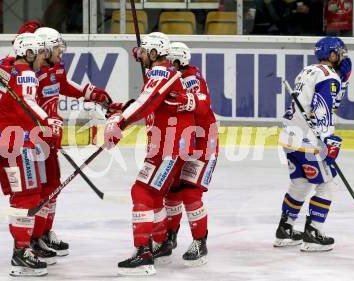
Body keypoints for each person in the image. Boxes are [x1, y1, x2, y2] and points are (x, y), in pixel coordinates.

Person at [104, 32, 197, 276]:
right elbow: (150, 103)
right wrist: (121, 110)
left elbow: (146, 103)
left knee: (142, 192)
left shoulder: (160, 72)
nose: (140, 55)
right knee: (154, 196)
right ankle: (159, 244)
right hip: (170, 147)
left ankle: (144, 254)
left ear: (154, 53)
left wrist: (119, 123)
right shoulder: (163, 72)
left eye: (144, 51)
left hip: (168, 148)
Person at [29, 27, 112, 261]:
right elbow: (26, 110)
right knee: (41, 190)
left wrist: (89, 93)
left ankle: (43, 231)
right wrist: (45, 128)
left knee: (54, 186)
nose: (60, 52)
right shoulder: (31, 74)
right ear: (44, 50)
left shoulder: (55, 68)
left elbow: (63, 85)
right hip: (36, 141)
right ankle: (33, 238)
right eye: (56, 48)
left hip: (50, 139)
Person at [0, 33, 60, 276]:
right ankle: (21, 252)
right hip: (16, 141)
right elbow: (27, 102)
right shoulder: (27, 74)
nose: (43, 59)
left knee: (23, 195)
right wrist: (50, 122)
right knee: (28, 196)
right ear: (28, 54)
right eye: (39, 54)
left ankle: (23, 247)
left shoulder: (4, 67)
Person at [275, 36, 352, 252]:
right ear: (333, 54)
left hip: (290, 136)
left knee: (300, 183)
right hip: (311, 141)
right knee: (326, 185)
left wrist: (342, 81)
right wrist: (329, 140)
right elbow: (323, 109)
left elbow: (317, 100)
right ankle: (313, 233)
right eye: (341, 53)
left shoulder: (308, 71)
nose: (343, 57)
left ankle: (285, 230)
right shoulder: (329, 77)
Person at [158, 42, 218, 266]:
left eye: (167, 60)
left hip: (203, 142)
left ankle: (199, 243)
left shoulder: (191, 79)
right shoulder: (174, 77)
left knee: (191, 193)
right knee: (171, 191)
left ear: (177, 61)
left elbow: (200, 106)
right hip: (183, 141)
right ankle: (169, 238)